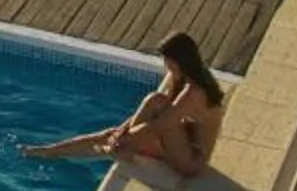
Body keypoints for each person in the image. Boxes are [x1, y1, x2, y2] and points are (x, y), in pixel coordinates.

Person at [21, 30, 225, 177]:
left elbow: (160, 126)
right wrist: (122, 130)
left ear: (182, 60)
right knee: (150, 103)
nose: (166, 66)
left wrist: (121, 142)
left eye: (169, 61)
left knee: (119, 141)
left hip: (191, 161)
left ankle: (115, 149)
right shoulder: (181, 78)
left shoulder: (194, 92)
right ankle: (50, 150)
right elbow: (154, 114)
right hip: (180, 142)